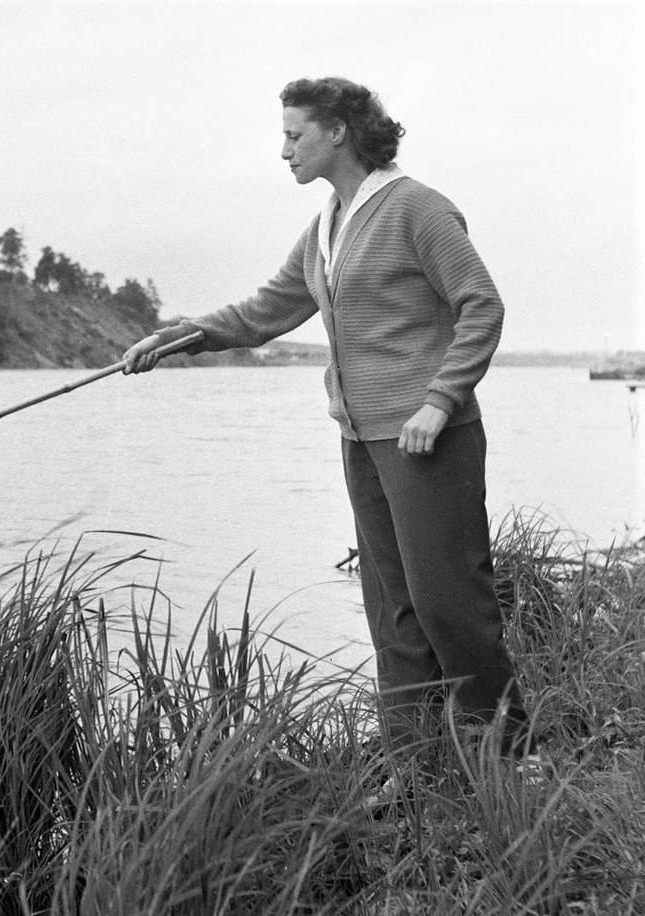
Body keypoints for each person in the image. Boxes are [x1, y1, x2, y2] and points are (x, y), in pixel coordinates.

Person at [123, 76, 539, 785]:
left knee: (449, 604)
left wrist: (438, 400)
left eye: (294, 135)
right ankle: (412, 766)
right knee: (392, 610)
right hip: (360, 439)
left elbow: (481, 308)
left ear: (338, 132)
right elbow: (266, 310)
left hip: (425, 439)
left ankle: (513, 758)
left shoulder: (416, 209)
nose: (282, 150)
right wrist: (182, 336)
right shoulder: (325, 223)